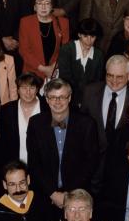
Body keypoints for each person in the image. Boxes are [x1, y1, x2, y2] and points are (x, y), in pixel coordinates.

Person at [81, 55, 129, 202]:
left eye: (120, 77)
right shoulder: (90, 92)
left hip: (122, 169)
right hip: (92, 169)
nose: (114, 81)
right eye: (110, 75)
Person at [27, 79, 99, 213]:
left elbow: (90, 163)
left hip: (78, 195)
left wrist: (68, 194)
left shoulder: (87, 124)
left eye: (62, 97)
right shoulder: (35, 123)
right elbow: (34, 163)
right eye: (53, 97)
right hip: (45, 195)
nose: (57, 102)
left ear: (70, 98)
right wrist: (52, 193)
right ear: (47, 99)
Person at [18, 0, 70, 82]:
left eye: (47, 3)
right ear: (34, 6)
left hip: (55, 72)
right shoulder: (25, 22)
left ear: (52, 6)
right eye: (39, 3)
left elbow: (65, 50)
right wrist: (44, 69)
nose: (43, 7)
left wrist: (53, 67)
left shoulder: (63, 23)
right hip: (32, 72)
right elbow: (24, 51)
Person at [0, 72, 46, 164]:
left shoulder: (47, 109)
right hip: (15, 165)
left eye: (32, 88)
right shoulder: (6, 111)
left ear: (37, 90)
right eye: (24, 88)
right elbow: (2, 143)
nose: (28, 92)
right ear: (18, 90)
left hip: (42, 164)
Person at [58, 18, 105, 108]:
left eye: (92, 37)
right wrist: (77, 100)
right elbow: (65, 78)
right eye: (85, 36)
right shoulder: (67, 49)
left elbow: (97, 81)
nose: (89, 40)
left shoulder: (99, 55)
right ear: (79, 34)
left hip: (89, 100)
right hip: (68, 99)